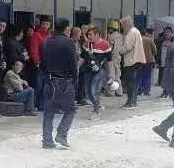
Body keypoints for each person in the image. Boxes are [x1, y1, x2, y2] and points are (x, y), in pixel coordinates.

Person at [40, 18, 78, 150]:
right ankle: (62, 134)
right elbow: (73, 64)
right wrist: (75, 81)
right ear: (66, 28)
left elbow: (42, 63)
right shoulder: (69, 42)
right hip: (65, 80)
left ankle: (47, 140)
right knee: (70, 110)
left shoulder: (46, 41)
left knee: (48, 111)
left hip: (50, 79)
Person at [82, 26, 112, 117]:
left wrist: (109, 75)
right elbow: (82, 58)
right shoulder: (86, 44)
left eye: (90, 34)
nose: (88, 36)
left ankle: (96, 111)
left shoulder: (105, 44)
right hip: (88, 70)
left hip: (99, 71)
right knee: (88, 92)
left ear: (97, 35)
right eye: (88, 35)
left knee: (94, 90)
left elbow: (109, 61)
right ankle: (97, 105)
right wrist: (77, 68)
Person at [117, 16, 145, 109]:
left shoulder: (131, 32)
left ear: (126, 24)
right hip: (137, 60)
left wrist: (119, 50)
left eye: (122, 25)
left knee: (130, 83)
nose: (122, 27)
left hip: (131, 61)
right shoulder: (136, 31)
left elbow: (127, 47)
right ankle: (134, 102)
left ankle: (130, 103)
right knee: (134, 82)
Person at [27, 18, 51, 109]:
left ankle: (42, 104)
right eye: (44, 23)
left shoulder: (50, 35)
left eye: (47, 24)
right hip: (39, 64)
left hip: (48, 65)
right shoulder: (36, 35)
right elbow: (34, 49)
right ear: (40, 24)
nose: (45, 26)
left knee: (46, 86)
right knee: (38, 85)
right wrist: (37, 61)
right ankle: (32, 105)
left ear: (49, 25)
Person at [106, 20, 124, 97]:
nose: (108, 29)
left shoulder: (111, 37)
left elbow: (109, 48)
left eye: (109, 28)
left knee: (111, 75)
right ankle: (119, 91)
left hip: (111, 57)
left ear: (112, 28)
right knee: (118, 75)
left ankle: (111, 92)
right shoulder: (121, 36)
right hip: (118, 57)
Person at [138, 29, 157, 96]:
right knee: (147, 76)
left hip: (140, 60)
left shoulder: (138, 40)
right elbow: (155, 51)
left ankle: (139, 90)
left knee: (140, 75)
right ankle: (146, 90)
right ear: (145, 33)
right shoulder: (150, 40)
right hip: (149, 60)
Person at [157, 27, 172, 98]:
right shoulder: (161, 41)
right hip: (162, 63)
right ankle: (166, 92)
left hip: (170, 64)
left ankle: (166, 92)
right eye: (165, 32)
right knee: (163, 78)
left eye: (168, 32)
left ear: (171, 33)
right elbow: (158, 51)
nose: (167, 33)